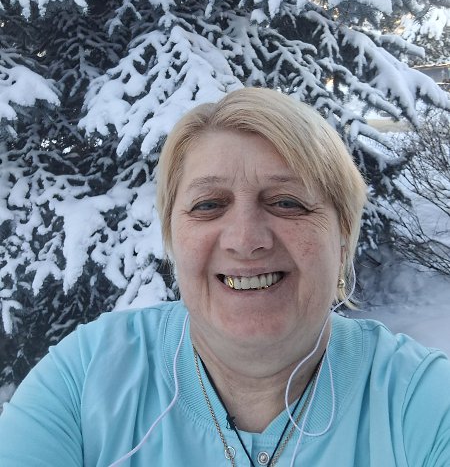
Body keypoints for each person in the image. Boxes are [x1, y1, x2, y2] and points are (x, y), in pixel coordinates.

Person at [0, 87, 449, 467]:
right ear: (172, 237)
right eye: (209, 205)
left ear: (344, 234)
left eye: (287, 202)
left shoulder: (422, 401)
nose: (245, 240)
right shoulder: (86, 376)